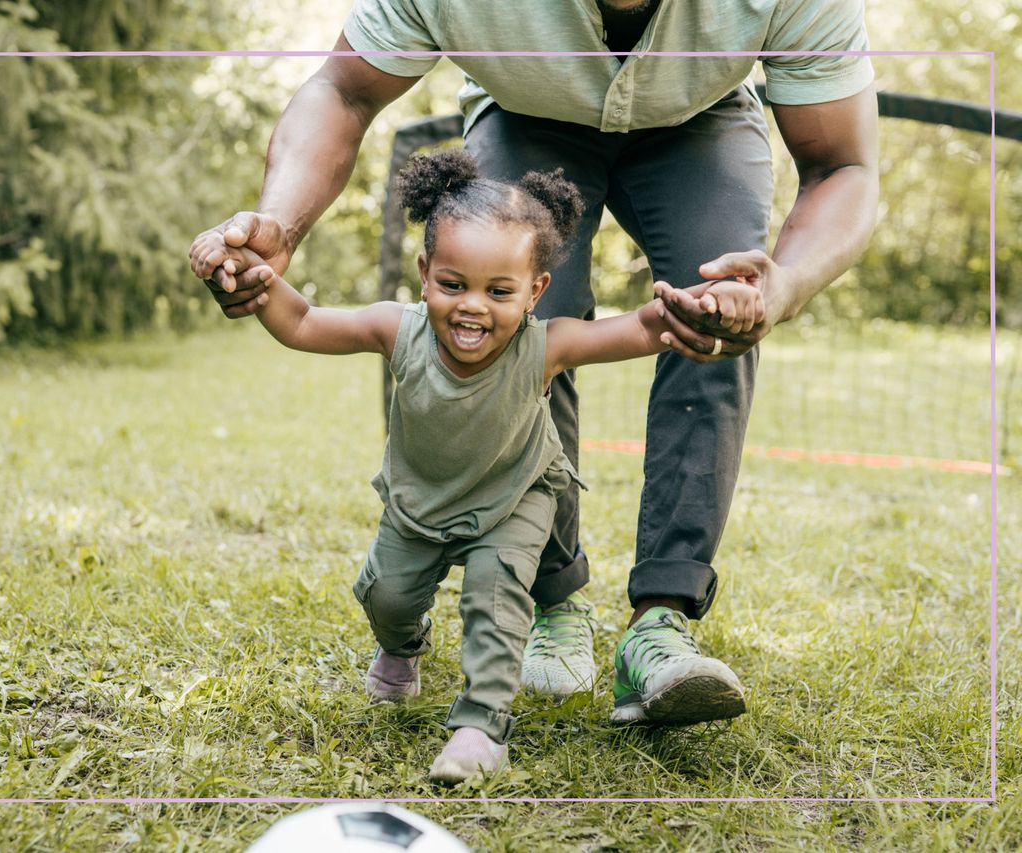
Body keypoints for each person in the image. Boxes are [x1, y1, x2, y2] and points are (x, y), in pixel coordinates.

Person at [188, 0, 879, 724]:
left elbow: (844, 164)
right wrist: (281, 218)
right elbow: (344, 89)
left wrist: (787, 282)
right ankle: (552, 595)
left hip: (699, 120)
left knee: (718, 308)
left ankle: (661, 622)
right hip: (524, 110)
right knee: (512, 328)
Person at [243, 150, 765, 782]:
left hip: (515, 500)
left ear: (535, 291)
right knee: (388, 596)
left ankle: (480, 729)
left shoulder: (545, 346)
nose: (472, 308)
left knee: (496, 605)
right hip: (419, 502)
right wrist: (253, 278)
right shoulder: (396, 329)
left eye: (499, 291)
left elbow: (637, 329)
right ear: (424, 272)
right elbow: (300, 321)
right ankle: (404, 646)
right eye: (453, 284)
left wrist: (695, 306)